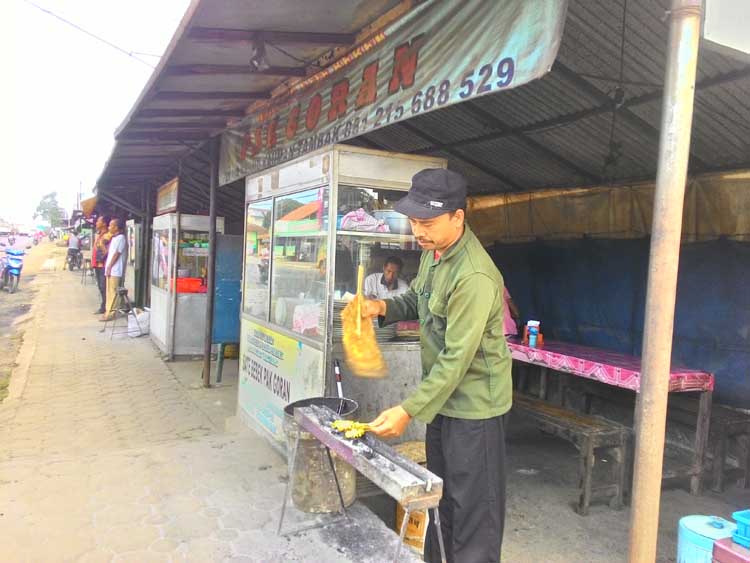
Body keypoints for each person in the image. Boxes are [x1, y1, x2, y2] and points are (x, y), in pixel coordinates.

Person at [360, 168, 512, 563]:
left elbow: (456, 360)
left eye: (426, 222)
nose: (418, 231)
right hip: (443, 403)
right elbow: (418, 301)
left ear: (458, 217)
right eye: (413, 221)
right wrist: (381, 307)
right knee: (440, 496)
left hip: (475, 409)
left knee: (474, 513)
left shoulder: (474, 276)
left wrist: (407, 409)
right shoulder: (434, 254)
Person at [102, 218, 126, 322]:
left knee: (113, 292)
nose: (109, 227)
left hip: (115, 270)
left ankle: (111, 314)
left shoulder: (121, 238)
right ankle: (108, 311)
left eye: (111, 225)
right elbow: (110, 252)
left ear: (116, 227)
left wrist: (109, 267)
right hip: (110, 269)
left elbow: (117, 254)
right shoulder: (114, 238)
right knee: (109, 291)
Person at [92, 216, 111, 314]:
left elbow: (106, 251)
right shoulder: (99, 235)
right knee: (100, 286)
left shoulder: (107, 235)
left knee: (103, 287)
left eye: (98, 221)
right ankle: (103, 306)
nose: (96, 223)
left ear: (104, 223)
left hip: (103, 265)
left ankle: (105, 307)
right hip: (97, 264)